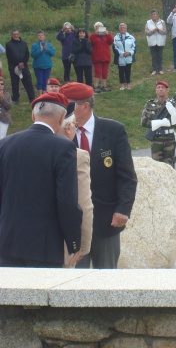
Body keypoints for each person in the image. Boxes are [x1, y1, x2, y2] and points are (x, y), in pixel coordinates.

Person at [59, 82, 137, 269]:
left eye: (68, 106)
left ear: (85, 106)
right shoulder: (60, 134)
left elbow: (127, 175)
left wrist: (123, 209)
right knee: (74, 281)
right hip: (72, 225)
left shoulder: (113, 131)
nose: (64, 112)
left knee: (107, 280)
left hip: (106, 220)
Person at [0, 92, 82, 268]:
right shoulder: (64, 147)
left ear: (32, 115)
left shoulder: (5, 144)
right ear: (62, 118)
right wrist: (74, 242)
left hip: (6, 241)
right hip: (44, 245)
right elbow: (67, 200)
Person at [58, 105, 93, 268]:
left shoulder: (12, 146)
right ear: (68, 127)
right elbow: (84, 205)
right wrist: (83, 247)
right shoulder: (77, 155)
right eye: (75, 125)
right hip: (59, 246)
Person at [141, 80, 176, 168]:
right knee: (157, 168)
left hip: (170, 139)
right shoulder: (150, 104)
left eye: (163, 88)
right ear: (156, 90)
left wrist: (173, 114)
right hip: (156, 139)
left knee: (170, 167)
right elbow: (144, 122)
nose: (160, 89)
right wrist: (159, 123)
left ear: (167, 90)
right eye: (158, 87)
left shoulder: (173, 104)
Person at [5, 29, 36, 105]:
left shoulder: (24, 43)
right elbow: (9, 56)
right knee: (15, 84)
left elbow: (27, 54)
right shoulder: (8, 44)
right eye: (14, 34)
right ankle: (15, 99)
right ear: (12, 35)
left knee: (28, 82)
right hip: (13, 67)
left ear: (19, 34)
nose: (16, 35)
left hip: (24, 67)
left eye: (17, 34)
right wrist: (18, 63)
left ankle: (32, 98)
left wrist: (23, 63)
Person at [89, 21, 114, 93]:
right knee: (98, 72)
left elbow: (111, 41)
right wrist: (95, 34)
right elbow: (90, 42)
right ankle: (95, 86)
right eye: (97, 27)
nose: (99, 28)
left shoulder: (105, 35)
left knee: (105, 72)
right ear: (95, 28)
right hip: (97, 56)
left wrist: (108, 34)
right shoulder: (93, 36)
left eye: (100, 27)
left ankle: (104, 86)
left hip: (105, 56)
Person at [31, 30, 56, 95]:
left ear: (44, 36)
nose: (40, 37)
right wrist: (40, 50)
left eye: (42, 35)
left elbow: (53, 53)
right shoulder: (34, 45)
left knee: (46, 81)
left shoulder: (49, 44)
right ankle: (40, 95)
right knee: (40, 81)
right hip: (38, 66)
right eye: (39, 35)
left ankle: (45, 94)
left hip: (47, 66)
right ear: (37, 37)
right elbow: (33, 55)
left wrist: (47, 49)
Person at [114, 23, 136, 90]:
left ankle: (128, 84)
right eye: (121, 28)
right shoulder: (116, 37)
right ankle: (122, 85)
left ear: (126, 29)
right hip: (120, 57)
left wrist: (130, 53)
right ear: (119, 29)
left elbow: (134, 47)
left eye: (123, 27)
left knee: (128, 71)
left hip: (129, 56)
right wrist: (122, 53)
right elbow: (115, 47)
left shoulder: (131, 37)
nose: (122, 29)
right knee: (121, 71)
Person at [145, 9, 167, 75]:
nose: (153, 15)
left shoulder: (162, 22)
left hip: (160, 41)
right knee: (154, 56)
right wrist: (153, 31)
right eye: (152, 14)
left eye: (155, 14)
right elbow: (146, 32)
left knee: (159, 56)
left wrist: (159, 30)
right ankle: (154, 69)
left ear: (157, 15)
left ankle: (160, 69)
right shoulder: (148, 22)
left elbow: (165, 31)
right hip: (152, 41)